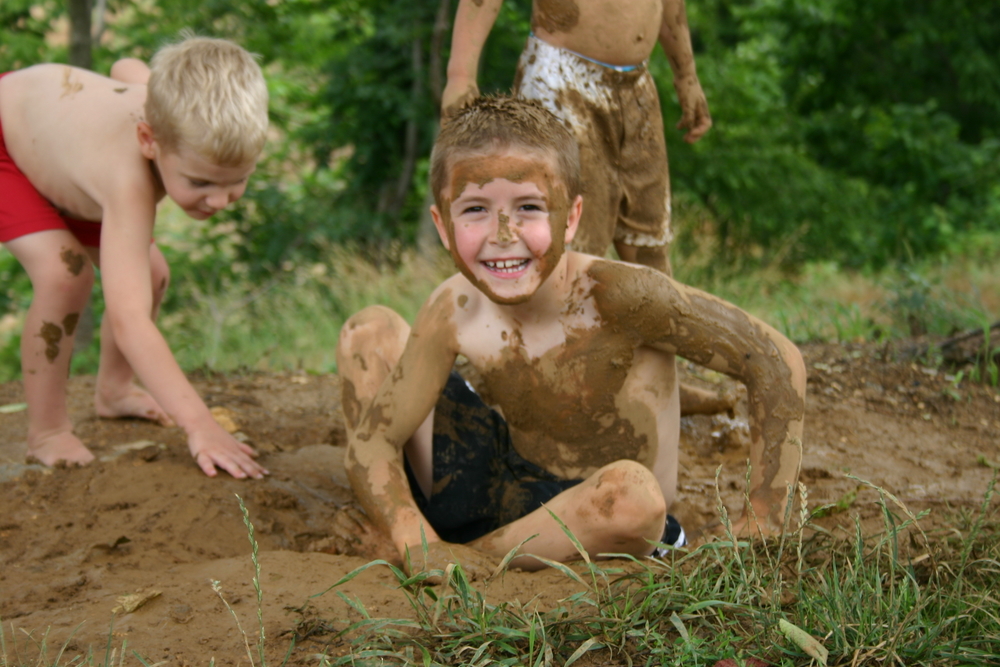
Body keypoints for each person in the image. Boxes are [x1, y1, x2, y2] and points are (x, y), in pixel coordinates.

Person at [338, 97, 804, 573]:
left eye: (529, 207)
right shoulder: (455, 307)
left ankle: (467, 559)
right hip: (502, 488)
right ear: (443, 225)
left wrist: (764, 518)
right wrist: (415, 540)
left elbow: (774, 360)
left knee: (632, 498)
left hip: (611, 520)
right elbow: (373, 441)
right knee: (369, 331)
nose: (503, 233)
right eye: (475, 209)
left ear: (572, 216)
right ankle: (426, 544)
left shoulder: (621, 296)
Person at [0, 36, 269, 478]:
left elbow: (127, 64)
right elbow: (129, 320)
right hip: (8, 145)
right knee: (65, 274)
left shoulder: (167, 105)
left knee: (153, 274)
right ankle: (46, 432)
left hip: (70, 173)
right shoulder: (129, 180)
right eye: (200, 182)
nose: (220, 200)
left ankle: (114, 390)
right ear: (149, 140)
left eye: (237, 180)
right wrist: (199, 424)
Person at [441, 0, 712, 275]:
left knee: (649, 244)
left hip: (637, 88)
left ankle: (650, 316)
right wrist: (461, 74)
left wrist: (687, 76)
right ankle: (543, 316)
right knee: (567, 241)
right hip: (559, 82)